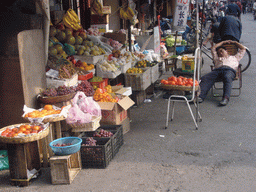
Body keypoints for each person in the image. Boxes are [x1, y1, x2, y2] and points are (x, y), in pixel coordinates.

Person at [198, 40, 246, 106]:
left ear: (226, 51)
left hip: (229, 71)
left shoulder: (234, 57)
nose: (220, 53)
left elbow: (243, 49)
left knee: (227, 76)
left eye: (221, 51)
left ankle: (225, 98)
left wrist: (234, 43)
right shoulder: (217, 58)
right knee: (205, 78)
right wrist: (223, 42)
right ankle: (200, 96)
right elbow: (213, 48)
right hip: (217, 71)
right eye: (218, 52)